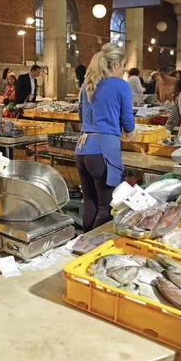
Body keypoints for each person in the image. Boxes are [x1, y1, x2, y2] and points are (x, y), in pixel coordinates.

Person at [75, 43, 134, 232]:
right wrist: (129, 133)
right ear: (116, 63)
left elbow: (81, 115)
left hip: (83, 149)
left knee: (90, 201)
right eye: (123, 65)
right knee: (107, 207)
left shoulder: (88, 84)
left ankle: (81, 244)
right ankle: (90, 246)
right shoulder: (120, 85)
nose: (124, 70)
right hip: (103, 151)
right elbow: (128, 121)